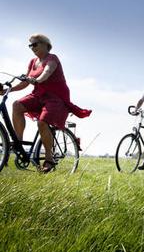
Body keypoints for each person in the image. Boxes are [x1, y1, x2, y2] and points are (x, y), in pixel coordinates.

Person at [6, 34, 91, 173]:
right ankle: (18, 143)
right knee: (17, 105)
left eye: (35, 44)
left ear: (46, 44)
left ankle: (49, 159)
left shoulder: (52, 58)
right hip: (38, 95)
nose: (32, 48)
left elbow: (47, 71)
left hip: (56, 98)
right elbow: (25, 82)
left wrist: (38, 80)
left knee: (42, 122)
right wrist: (8, 90)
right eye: (30, 45)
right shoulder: (33, 61)